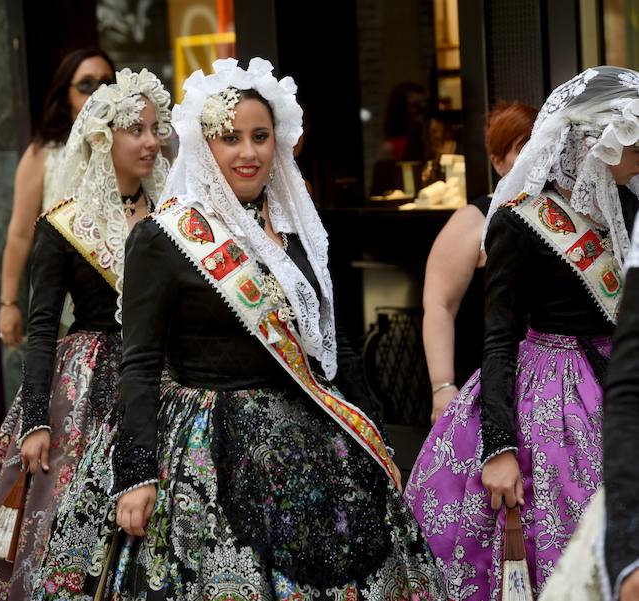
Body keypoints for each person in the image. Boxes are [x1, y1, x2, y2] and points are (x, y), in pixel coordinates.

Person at [35, 57, 445, 600]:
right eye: (230, 138)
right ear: (206, 146)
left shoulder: (297, 230)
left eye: (260, 136)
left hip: (308, 435)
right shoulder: (165, 237)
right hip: (206, 445)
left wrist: (375, 434)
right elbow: (138, 364)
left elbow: (331, 340)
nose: (247, 152)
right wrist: (135, 473)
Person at [405, 66, 639, 600]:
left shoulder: (627, 208)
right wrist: (500, 449)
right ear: (594, 146)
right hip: (551, 403)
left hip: (618, 382)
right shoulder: (518, 221)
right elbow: (498, 340)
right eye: (634, 148)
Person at [0, 67, 171, 601]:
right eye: (137, 129)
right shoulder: (64, 224)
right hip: (89, 382)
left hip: (169, 379)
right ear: (103, 138)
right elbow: (41, 329)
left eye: (156, 128)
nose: (152, 141)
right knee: (79, 525)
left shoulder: (176, 214)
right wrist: (35, 419)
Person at [423, 101, 538, 423]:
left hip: (547, 378)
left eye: (539, 144)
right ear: (497, 161)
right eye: (521, 148)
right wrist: (442, 386)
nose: (533, 155)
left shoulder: (561, 215)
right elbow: (439, 305)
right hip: (485, 375)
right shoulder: (474, 219)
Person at [0, 48, 115, 348]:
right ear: (66, 94)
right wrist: (8, 303)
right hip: (64, 297)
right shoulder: (42, 154)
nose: (96, 92)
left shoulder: (130, 146)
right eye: (86, 85)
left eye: (106, 83)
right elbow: (21, 234)